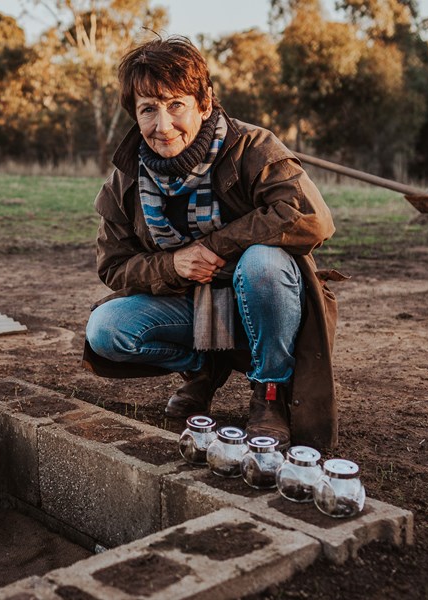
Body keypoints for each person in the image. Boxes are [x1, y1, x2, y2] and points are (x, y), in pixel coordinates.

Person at [82, 35, 342, 450]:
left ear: (204, 103)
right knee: (106, 331)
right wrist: (174, 264)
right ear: (135, 114)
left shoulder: (252, 146)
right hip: (190, 304)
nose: (162, 125)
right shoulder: (124, 180)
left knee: (261, 262)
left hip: (262, 300)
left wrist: (218, 247)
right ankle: (204, 367)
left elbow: (312, 218)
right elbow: (113, 266)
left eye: (175, 105)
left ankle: (269, 394)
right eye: (148, 109)